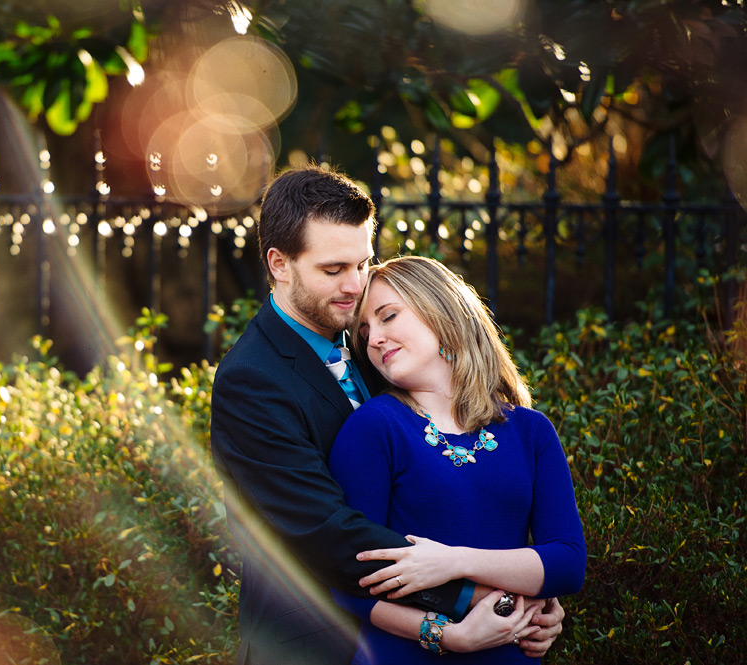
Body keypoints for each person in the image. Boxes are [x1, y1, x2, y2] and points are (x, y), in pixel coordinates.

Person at [210, 165, 566, 665]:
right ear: (279, 264)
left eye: (363, 263)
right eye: (334, 270)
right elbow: (329, 534)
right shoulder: (250, 380)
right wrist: (489, 599)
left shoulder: (379, 347)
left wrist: (532, 601)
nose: (356, 286)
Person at [327, 255, 587, 663]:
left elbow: (568, 563)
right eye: (364, 331)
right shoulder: (374, 428)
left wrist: (451, 562)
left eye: (388, 316)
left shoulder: (531, 432)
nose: (374, 338)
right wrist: (449, 635)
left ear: (442, 310)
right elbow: (348, 580)